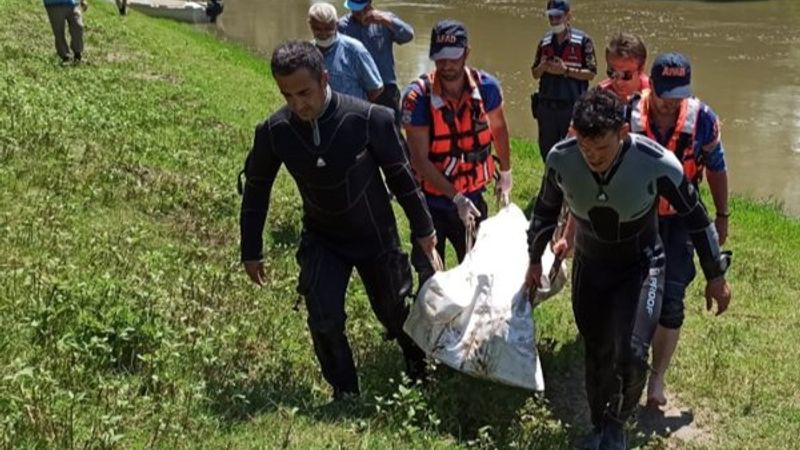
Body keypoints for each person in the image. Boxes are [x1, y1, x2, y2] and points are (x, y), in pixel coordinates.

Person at [525, 88, 732, 449]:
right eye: (585, 147)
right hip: (591, 266)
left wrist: (716, 275)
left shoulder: (657, 162)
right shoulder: (561, 159)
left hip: (641, 265)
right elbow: (544, 211)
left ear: (623, 132)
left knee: (633, 354)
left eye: (601, 148)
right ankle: (599, 425)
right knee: (597, 352)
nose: (592, 157)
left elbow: (696, 219)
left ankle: (617, 424)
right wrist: (533, 260)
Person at [239, 41, 436, 400]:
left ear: (324, 78)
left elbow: (402, 179)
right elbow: (256, 190)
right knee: (323, 318)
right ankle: (345, 393)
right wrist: (251, 249)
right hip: (323, 238)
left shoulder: (370, 119)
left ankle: (419, 368)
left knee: (394, 312)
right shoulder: (274, 131)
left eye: (304, 93)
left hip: (376, 237)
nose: (298, 104)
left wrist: (424, 230)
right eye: (287, 95)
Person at [628, 52, 730, 408]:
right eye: (664, 94)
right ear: (651, 85)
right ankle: (626, 368)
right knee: (632, 296)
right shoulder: (626, 115)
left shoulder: (703, 120)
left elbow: (716, 167)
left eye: (678, 95)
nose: (670, 103)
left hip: (681, 221)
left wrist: (722, 215)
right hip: (636, 219)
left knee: (672, 302)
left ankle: (657, 379)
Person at [401, 20, 512, 285]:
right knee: (430, 278)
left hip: (473, 198)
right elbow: (419, 160)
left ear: (467, 53)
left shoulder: (487, 88)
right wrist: (456, 198)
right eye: (440, 58)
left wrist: (506, 172)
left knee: (477, 274)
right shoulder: (417, 98)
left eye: (453, 58)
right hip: (431, 203)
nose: (447, 65)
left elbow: (498, 129)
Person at [530, 0, 596, 161]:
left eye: (558, 17)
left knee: (574, 152)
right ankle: (551, 176)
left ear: (568, 16)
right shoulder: (544, 42)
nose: (554, 21)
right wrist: (543, 67)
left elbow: (591, 73)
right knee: (547, 152)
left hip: (572, 108)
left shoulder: (583, 41)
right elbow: (535, 73)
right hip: (547, 109)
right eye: (551, 17)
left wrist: (565, 71)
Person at [339, 0, 414, 117]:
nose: (357, 13)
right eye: (353, 9)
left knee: (391, 125)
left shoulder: (385, 20)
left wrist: (386, 20)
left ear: (369, 3)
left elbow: (408, 35)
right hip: (358, 88)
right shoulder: (342, 25)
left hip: (386, 87)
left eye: (361, 9)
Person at [308, 2, 384, 102]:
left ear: (336, 24)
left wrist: (358, 107)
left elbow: (376, 88)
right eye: (317, 29)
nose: (323, 34)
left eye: (328, 29)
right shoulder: (306, 52)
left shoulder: (355, 50)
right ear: (310, 25)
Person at [598, 32, 650, 103]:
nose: (618, 82)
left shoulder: (654, 94)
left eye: (626, 75)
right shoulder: (600, 94)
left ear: (641, 69)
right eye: (612, 73)